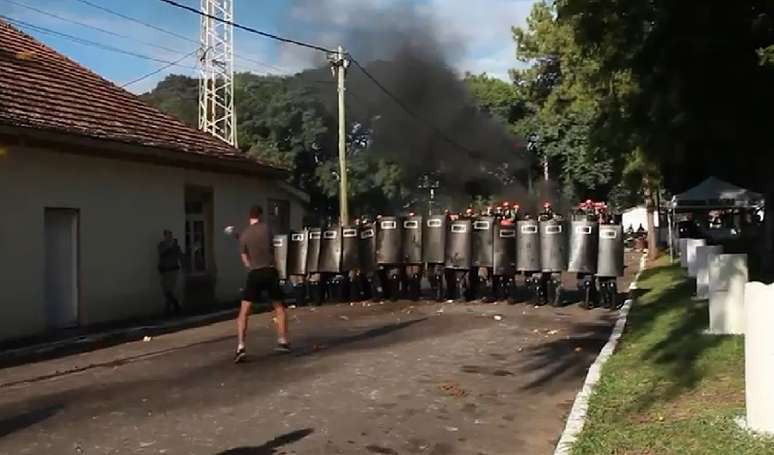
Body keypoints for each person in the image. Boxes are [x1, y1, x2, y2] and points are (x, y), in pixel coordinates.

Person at [235, 205, 289, 363]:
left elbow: (245, 260)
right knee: (279, 307)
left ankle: (241, 346)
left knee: (244, 311)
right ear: (260, 215)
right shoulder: (267, 229)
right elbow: (272, 248)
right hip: (270, 270)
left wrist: (251, 264)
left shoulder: (244, 235)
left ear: (249, 216)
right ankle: (283, 340)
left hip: (255, 273)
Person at [157, 229, 183, 315]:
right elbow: (162, 254)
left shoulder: (176, 246)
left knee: (169, 289)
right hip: (164, 270)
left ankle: (169, 308)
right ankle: (175, 305)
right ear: (164, 236)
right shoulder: (162, 245)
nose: (169, 237)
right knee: (165, 290)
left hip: (173, 270)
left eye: (170, 235)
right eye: (167, 235)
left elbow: (180, 255)